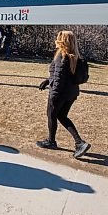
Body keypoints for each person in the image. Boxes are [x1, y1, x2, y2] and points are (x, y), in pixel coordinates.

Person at [37, 30, 91, 159]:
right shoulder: (75, 56)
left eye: (58, 38)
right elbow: (62, 75)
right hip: (71, 93)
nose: (56, 40)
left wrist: (53, 95)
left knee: (51, 115)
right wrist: (48, 80)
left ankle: (51, 141)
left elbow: (60, 78)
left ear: (62, 40)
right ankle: (80, 143)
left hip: (60, 93)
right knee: (62, 116)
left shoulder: (62, 55)